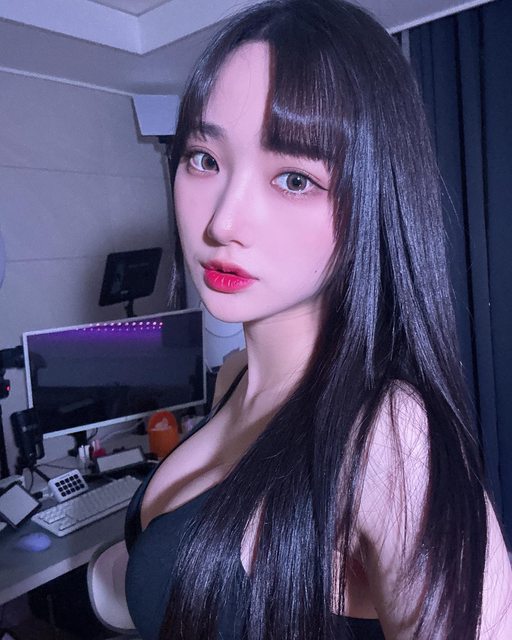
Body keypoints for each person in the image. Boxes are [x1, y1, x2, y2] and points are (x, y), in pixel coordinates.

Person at [124, 1, 512, 638]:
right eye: (204, 159)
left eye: (295, 180)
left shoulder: (389, 435)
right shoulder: (234, 378)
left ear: (375, 196)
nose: (223, 222)